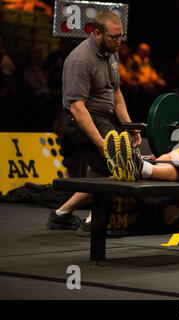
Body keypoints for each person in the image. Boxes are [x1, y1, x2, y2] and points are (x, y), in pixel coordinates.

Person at [45, 11, 141, 236]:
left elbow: (116, 95)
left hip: (102, 119)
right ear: (96, 33)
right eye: (113, 37)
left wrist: (129, 126)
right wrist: (101, 143)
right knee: (118, 167)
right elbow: (78, 109)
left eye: (121, 37)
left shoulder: (111, 53)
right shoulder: (80, 60)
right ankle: (93, 221)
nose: (119, 42)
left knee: (115, 170)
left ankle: (60, 214)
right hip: (80, 120)